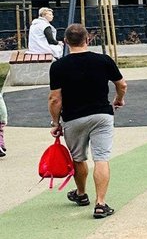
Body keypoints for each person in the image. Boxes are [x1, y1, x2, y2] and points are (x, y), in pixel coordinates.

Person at [48, 23, 126, 219]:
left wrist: (55, 123)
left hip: (73, 118)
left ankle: (81, 194)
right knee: (101, 158)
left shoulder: (58, 66)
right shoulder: (103, 60)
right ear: (88, 39)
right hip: (102, 115)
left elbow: (55, 99)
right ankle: (101, 204)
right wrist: (118, 99)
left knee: (78, 158)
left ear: (66, 41)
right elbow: (122, 84)